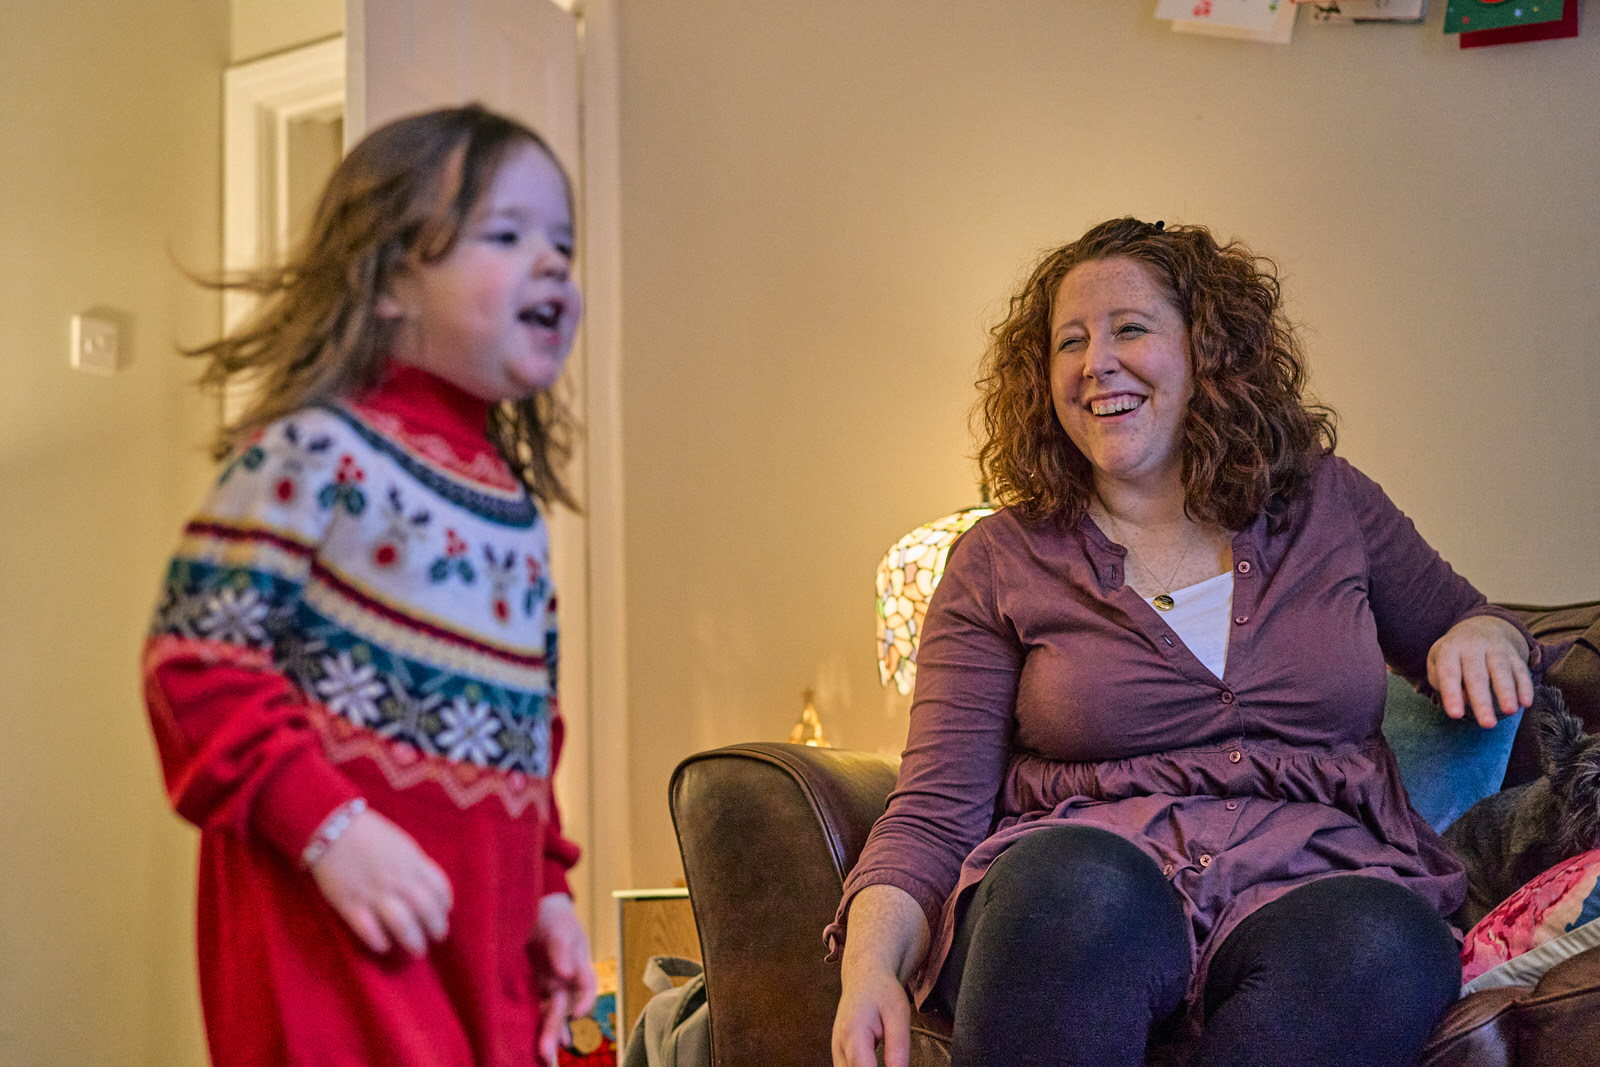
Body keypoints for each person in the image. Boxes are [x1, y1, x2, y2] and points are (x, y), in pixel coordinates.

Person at [828, 218, 1552, 1067]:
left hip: (1317, 878)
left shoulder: (1330, 502)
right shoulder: (999, 559)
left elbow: (1474, 621)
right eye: (1070, 341)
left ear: (1210, 352)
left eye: (1129, 328)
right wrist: (870, 969)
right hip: (1075, 893)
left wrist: (1482, 635)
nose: (1095, 361)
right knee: (1077, 882)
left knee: (1384, 941)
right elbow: (934, 805)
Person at [143, 104, 595, 1067]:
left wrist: (550, 890)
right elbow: (196, 662)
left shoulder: (511, 513)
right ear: (391, 278)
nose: (554, 263)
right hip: (332, 932)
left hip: (486, 946)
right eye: (508, 236)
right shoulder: (315, 453)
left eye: (562, 242)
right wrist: (329, 826)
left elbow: (528, 734)